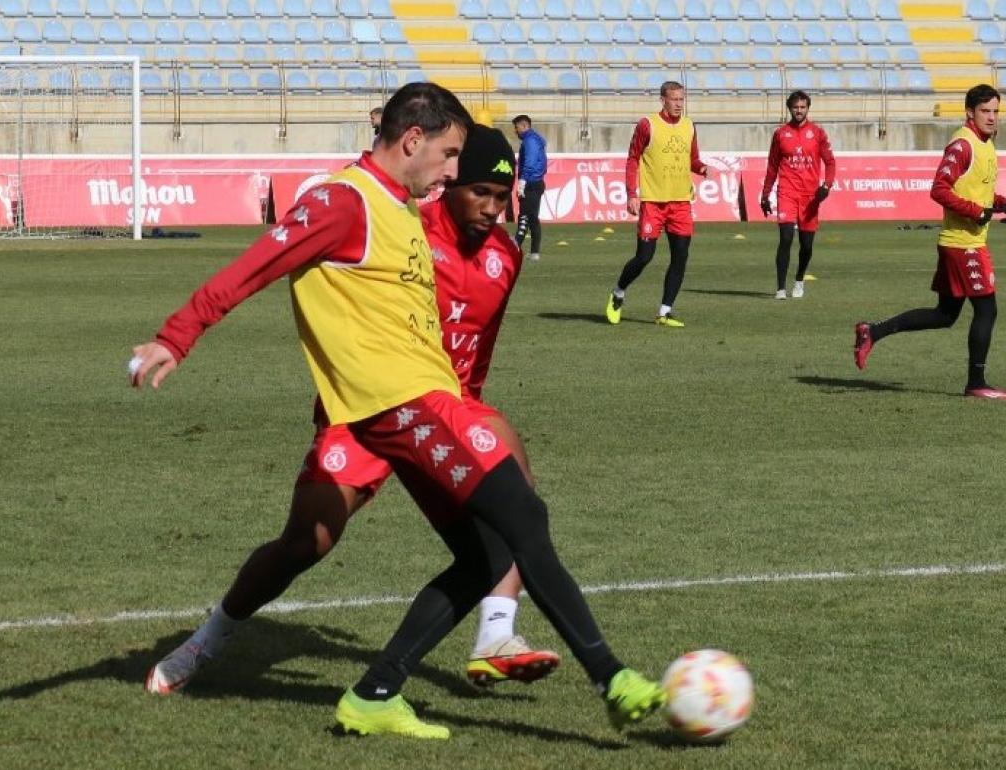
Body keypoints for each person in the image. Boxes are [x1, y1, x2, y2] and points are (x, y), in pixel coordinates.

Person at [129, 82, 667, 739]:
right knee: (315, 540)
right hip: (390, 406)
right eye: (447, 156)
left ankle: (378, 690)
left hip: (420, 404)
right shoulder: (342, 202)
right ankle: (610, 677)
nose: (450, 173)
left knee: (485, 551)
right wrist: (177, 335)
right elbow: (256, 265)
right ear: (412, 140)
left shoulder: (408, 210)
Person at [144, 125, 561, 698]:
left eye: (501, 197)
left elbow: (477, 351)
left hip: (446, 405)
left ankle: (496, 636)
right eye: (477, 192)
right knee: (308, 539)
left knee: (517, 488)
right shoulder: (404, 225)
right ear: (447, 184)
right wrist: (179, 334)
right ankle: (209, 637)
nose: (492, 209)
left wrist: (469, 413)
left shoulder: (505, 258)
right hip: (368, 406)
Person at [853, 84, 1006, 400]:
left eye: (996, 111)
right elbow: (939, 189)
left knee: (945, 315)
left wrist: (1000, 203)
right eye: (985, 111)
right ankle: (976, 384)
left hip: (964, 240)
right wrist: (976, 213)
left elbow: (974, 190)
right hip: (963, 243)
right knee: (987, 310)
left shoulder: (986, 144)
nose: (992, 117)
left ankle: (872, 331)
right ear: (970, 112)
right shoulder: (963, 144)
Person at [605, 80, 712, 328]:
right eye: (674, 99)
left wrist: (702, 168)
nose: (678, 104)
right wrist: (632, 193)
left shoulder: (688, 126)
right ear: (663, 99)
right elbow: (632, 159)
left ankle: (664, 312)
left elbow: (692, 159)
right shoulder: (648, 124)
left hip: (681, 202)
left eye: (681, 99)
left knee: (680, 257)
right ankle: (619, 292)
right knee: (644, 257)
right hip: (653, 202)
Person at [760, 90, 836, 300]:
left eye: (803, 107)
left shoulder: (818, 133)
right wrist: (765, 195)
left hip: (810, 196)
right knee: (786, 237)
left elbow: (830, 162)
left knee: (807, 244)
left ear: (807, 108)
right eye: (796, 107)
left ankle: (799, 280)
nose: (799, 111)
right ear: (790, 108)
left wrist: (826, 186)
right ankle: (781, 288)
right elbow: (772, 166)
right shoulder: (780, 134)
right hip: (787, 191)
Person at [511, 114, 547, 262]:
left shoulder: (530, 140)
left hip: (531, 183)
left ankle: (521, 246)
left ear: (524, 126)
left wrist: (523, 180)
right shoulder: (534, 139)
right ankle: (526, 248)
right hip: (534, 183)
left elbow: (530, 162)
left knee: (528, 217)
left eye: (517, 127)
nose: (515, 131)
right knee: (528, 216)